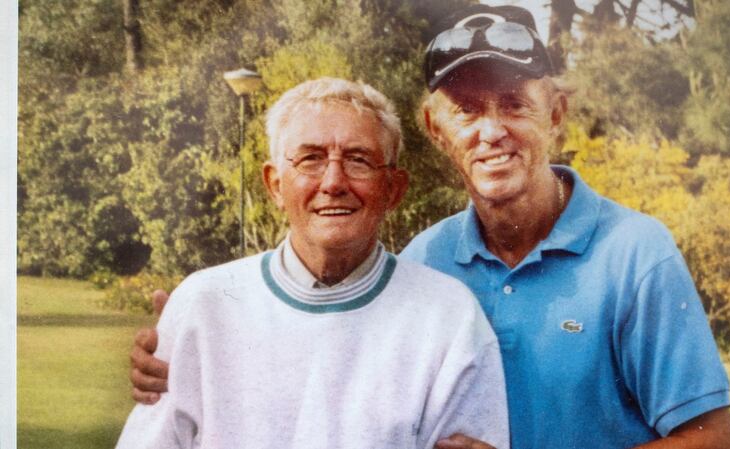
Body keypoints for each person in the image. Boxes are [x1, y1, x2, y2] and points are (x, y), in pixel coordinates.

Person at [130, 5, 730, 449]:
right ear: (435, 127)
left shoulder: (636, 254)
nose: (491, 130)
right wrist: (184, 348)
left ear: (556, 112)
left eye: (514, 104)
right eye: (468, 110)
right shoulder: (426, 260)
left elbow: (714, 442)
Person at [116, 77, 509, 449]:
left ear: (393, 189)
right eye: (310, 159)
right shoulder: (204, 303)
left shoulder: (448, 316)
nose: (334, 182)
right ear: (274, 184)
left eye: (359, 160)